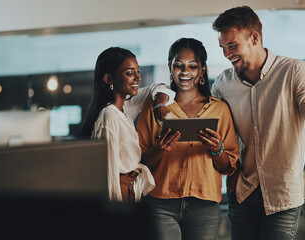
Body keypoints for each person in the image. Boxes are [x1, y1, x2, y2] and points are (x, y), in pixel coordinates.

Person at [210, 6, 305, 240]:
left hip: (283, 194)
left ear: (255, 38)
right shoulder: (222, 84)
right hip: (242, 191)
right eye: (223, 47)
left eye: (232, 45)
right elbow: (217, 132)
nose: (227, 54)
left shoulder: (295, 72)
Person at [136, 38, 240, 240]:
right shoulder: (152, 109)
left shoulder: (219, 109)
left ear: (202, 70)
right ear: (170, 67)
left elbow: (228, 167)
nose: (185, 72)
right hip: (160, 204)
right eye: (178, 65)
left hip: (205, 205)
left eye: (193, 66)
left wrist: (217, 149)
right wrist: (159, 149)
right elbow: (140, 165)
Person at [82, 47, 175, 202]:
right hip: (118, 195)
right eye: (130, 73)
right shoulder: (109, 115)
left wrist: (159, 105)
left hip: (131, 191)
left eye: (138, 71)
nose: (137, 78)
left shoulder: (125, 108)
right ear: (108, 79)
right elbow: (108, 173)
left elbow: (160, 87)